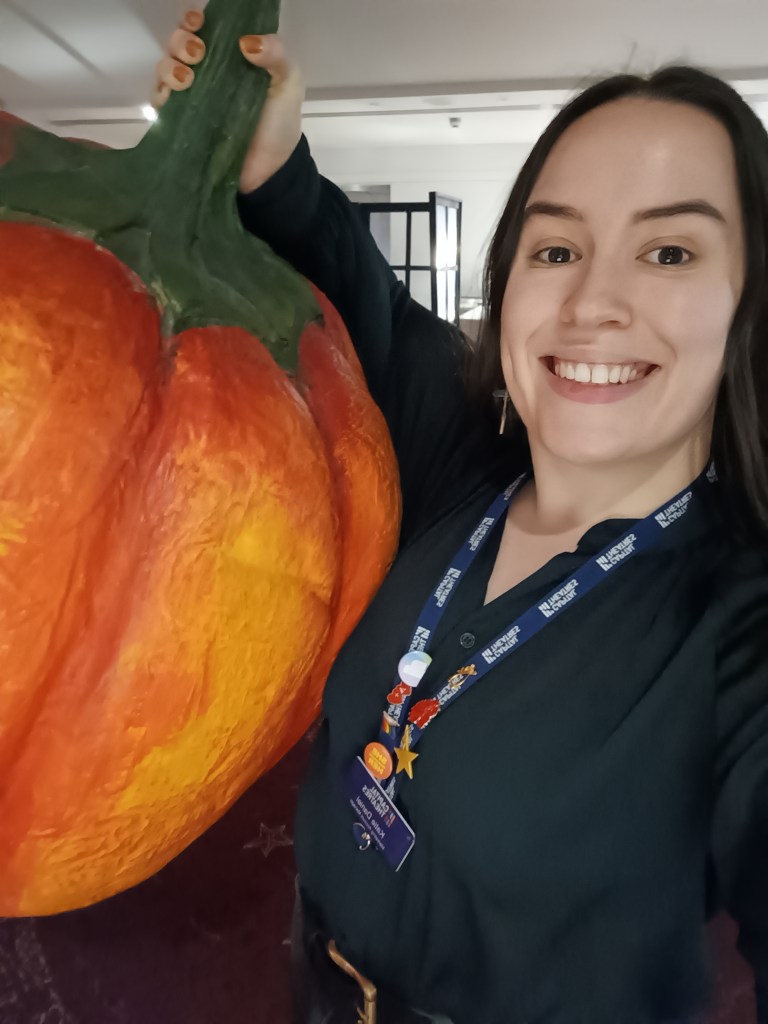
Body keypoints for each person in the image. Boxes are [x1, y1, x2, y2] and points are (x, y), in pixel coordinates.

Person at [157, 12, 768, 1024]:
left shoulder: (738, 631)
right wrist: (264, 155)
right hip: (311, 982)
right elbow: (371, 306)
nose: (593, 304)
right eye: (557, 246)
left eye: (668, 253)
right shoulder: (461, 462)